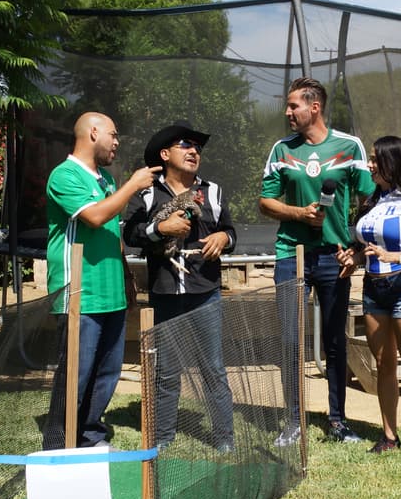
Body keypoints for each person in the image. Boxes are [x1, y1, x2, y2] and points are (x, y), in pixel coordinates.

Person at [260, 77, 377, 445]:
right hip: (290, 255)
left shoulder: (349, 146)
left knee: (335, 340)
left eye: (293, 105)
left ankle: (338, 422)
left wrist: (356, 250)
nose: (287, 112)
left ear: (315, 108)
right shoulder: (282, 150)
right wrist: (298, 213)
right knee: (289, 341)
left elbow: (371, 200)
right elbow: (265, 202)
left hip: (334, 258)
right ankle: (293, 422)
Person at [43, 112, 160, 449]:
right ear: (93, 133)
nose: (117, 142)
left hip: (112, 293)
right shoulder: (64, 175)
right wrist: (133, 185)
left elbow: (111, 230)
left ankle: (89, 434)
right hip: (80, 293)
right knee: (75, 373)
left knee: (107, 373)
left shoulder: (106, 179)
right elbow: (95, 217)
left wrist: (126, 276)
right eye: (113, 134)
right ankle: (59, 443)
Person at [123, 120, 237, 452]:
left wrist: (223, 237)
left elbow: (231, 232)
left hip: (205, 291)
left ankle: (224, 438)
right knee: (167, 369)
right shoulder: (147, 193)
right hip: (166, 292)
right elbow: (130, 234)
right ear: (165, 154)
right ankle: (162, 438)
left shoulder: (212, 191)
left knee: (213, 367)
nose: (194, 151)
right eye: (185, 145)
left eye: (197, 147)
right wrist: (160, 229)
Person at [337, 135, 401, 460]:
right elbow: (367, 247)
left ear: (391, 162)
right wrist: (354, 257)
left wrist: (393, 256)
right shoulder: (373, 201)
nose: (369, 165)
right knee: (383, 365)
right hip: (373, 289)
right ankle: (389, 436)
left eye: (374, 159)